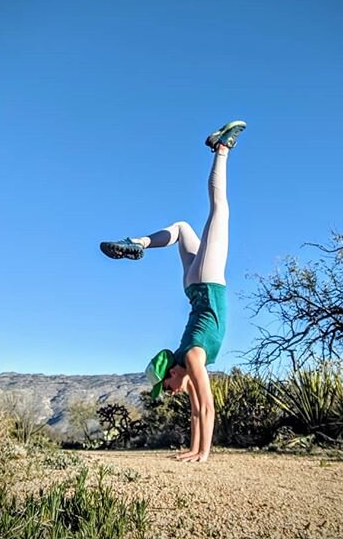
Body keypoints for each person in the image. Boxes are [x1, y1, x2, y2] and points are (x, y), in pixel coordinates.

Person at [99, 120, 246, 463]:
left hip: (206, 282)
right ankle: (139, 242)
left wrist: (204, 455)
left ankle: (221, 149)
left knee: (219, 209)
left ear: (172, 373)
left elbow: (207, 406)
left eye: (165, 386)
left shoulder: (192, 356)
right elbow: (197, 408)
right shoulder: (186, 359)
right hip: (194, 286)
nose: (169, 392)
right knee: (182, 227)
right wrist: (193, 449)